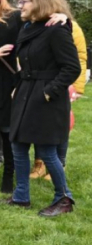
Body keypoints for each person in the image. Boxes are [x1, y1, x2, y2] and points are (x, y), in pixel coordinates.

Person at [0, 0, 68, 193]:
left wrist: (64, 18)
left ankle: (8, 177)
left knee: (7, 130)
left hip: (7, 81)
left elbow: (40, 25)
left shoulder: (16, 17)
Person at [5, 0, 80, 216]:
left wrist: (49, 91)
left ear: (39, 2)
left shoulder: (56, 29)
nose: (19, 5)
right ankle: (21, 196)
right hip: (26, 92)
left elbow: (71, 67)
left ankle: (64, 198)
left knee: (47, 151)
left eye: (24, 1)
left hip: (46, 97)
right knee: (18, 145)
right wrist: (19, 84)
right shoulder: (29, 26)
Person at [29, 17, 87, 180]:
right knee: (39, 124)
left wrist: (78, 86)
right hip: (40, 83)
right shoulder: (35, 25)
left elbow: (80, 58)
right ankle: (39, 163)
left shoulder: (71, 26)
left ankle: (59, 163)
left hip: (63, 84)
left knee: (61, 124)